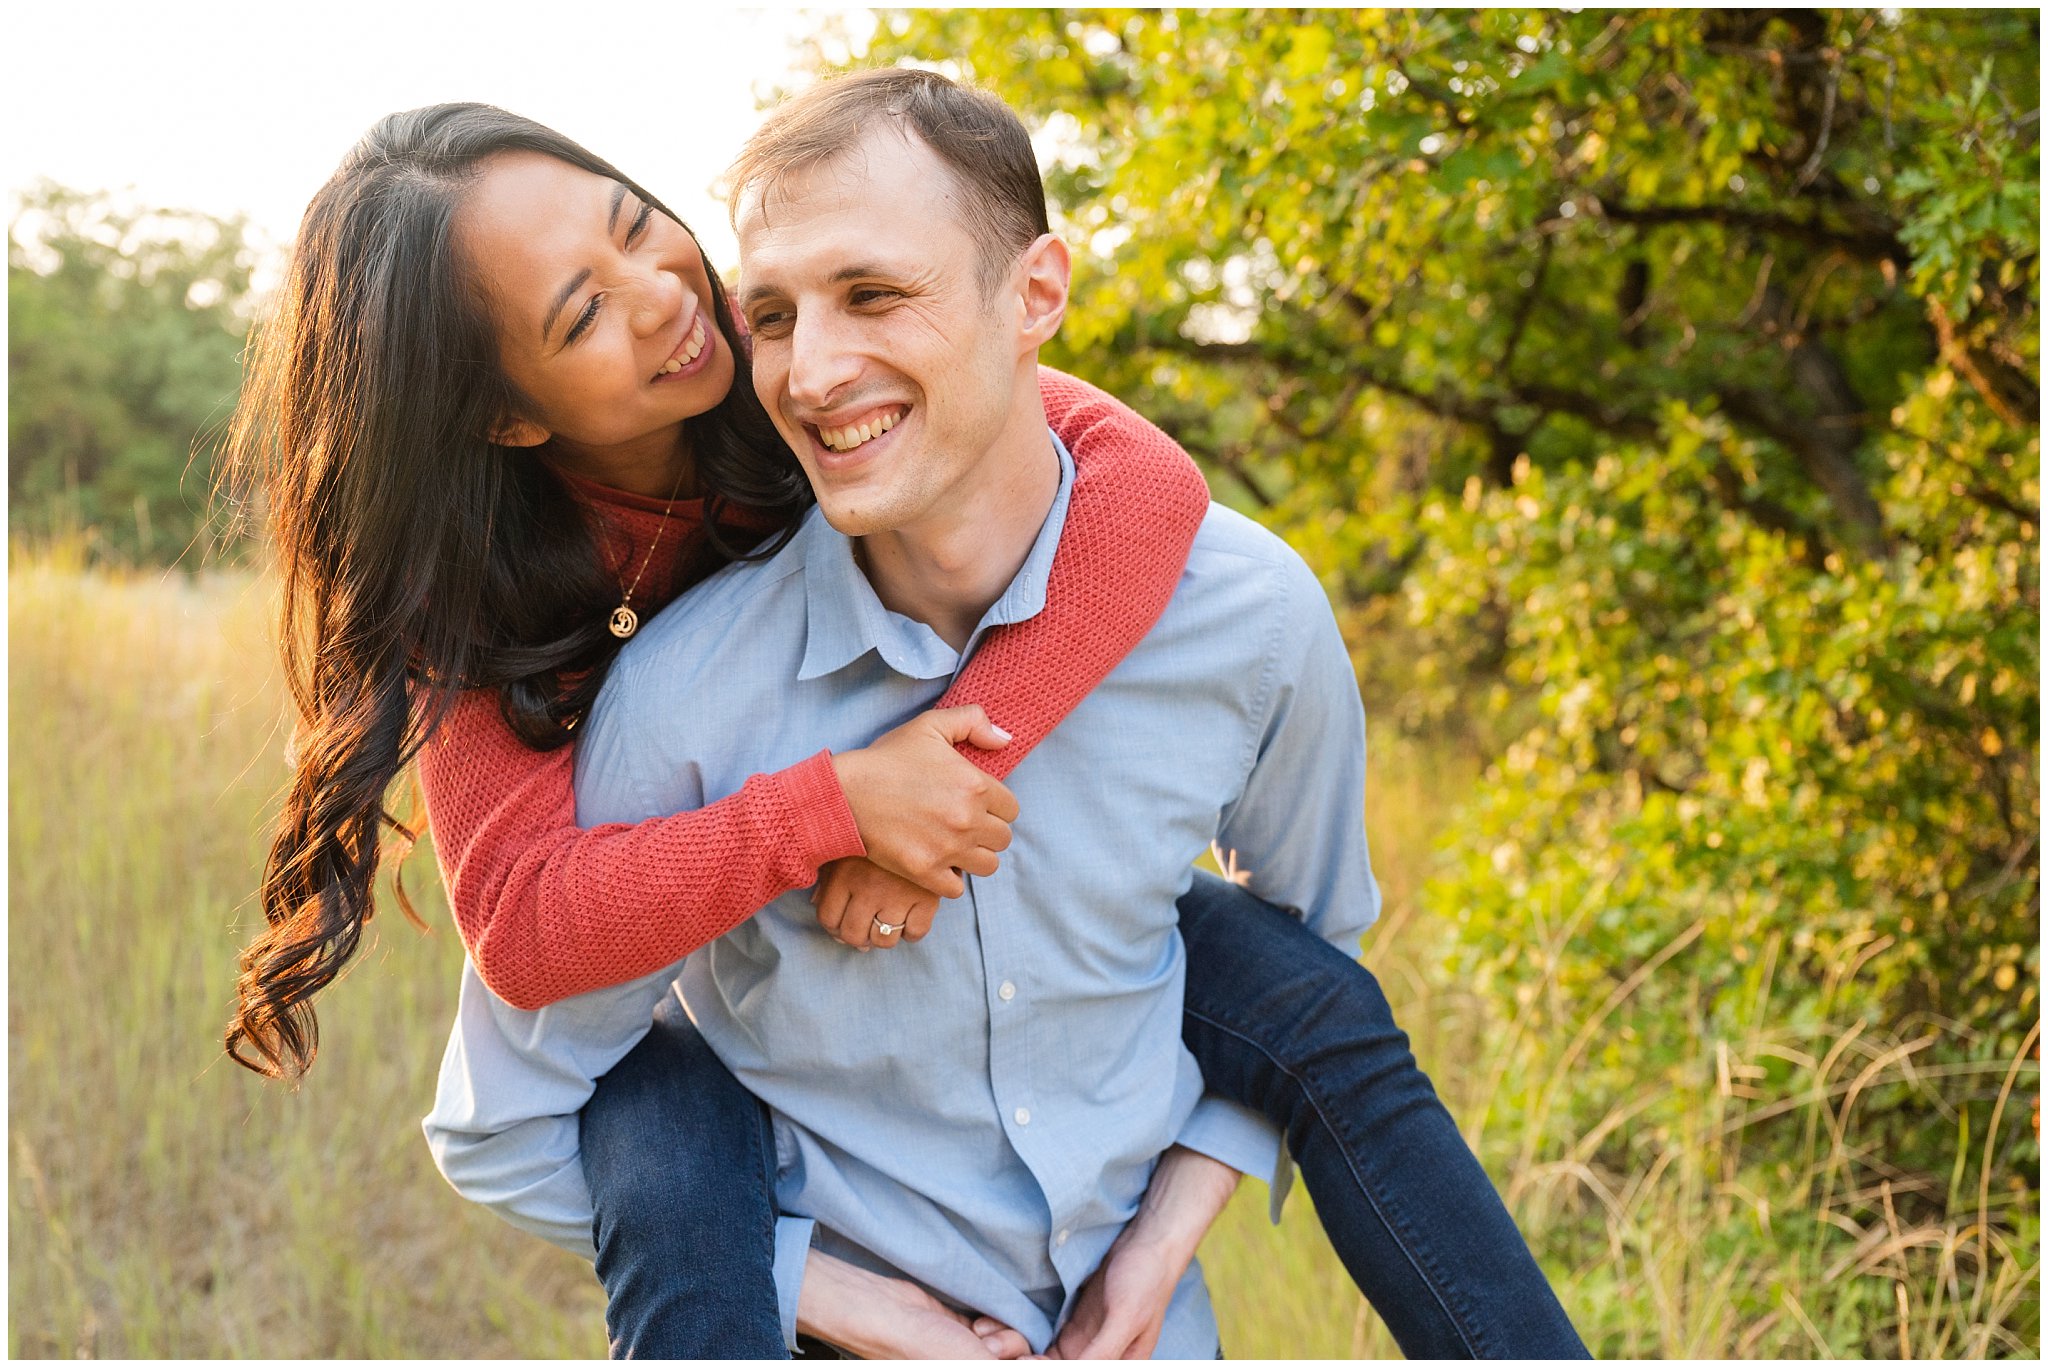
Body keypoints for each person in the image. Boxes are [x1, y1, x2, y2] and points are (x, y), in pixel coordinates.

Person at [423, 72, 1588, 1360]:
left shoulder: (1239, 615)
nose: (804, 370)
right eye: (775, 314)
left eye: (872, 294)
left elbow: (1311, 948)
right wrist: (832, 809)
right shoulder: (584, 655)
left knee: (1300, 997)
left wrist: (1158, 1245)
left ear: (1039, 294)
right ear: (510, 411)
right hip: (812, 1287)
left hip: (1141, 1326)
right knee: (663, 1128)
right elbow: (518, 997)